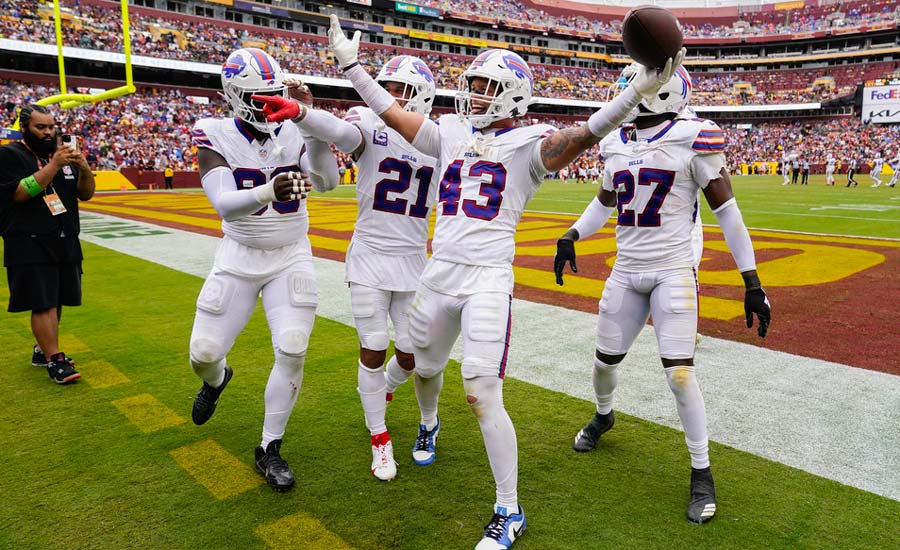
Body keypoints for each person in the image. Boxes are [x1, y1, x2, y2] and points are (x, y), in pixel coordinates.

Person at [317, 15, 683, 550]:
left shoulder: (532, 145)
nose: (474, 95)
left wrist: (632, 97)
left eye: (486, 87)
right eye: (472, 85)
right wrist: (352, 68)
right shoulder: (452, 133)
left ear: (512, 96)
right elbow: (392, 113)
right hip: (438, 275)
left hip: (488, 277)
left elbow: (586, 133)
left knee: (482, 391)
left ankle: (508, 509)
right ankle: (413, 412)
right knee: (420, 364)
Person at [553, 64, 771, 525]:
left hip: (673, 271)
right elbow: (605, 202)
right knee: (602, 363)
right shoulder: (617, 142)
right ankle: (604, 415)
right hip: (626, 271)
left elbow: (728, 215)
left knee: (679, 375)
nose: (625, 95)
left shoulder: (693, 137)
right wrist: (572, 234)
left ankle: (702, 472)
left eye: (635, 86)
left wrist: (752, 282)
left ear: (662, 91)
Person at [253, 54, 439, 482]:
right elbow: (338, 131)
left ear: (423, 98)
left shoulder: (437, 138)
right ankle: (380, 438)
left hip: (413, 260)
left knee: (414, 357)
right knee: (373, 346)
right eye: (388, 87)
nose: (392, 97)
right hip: (370, 256)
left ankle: (383, 392)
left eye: (401, 91)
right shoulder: (368, 123)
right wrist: (304, 113)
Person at [186, 48, 339, 492]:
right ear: (233, 96)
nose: (268, 105)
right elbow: (224, 204)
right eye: (258, 96)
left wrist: (312, 127)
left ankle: (269, 448)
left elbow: (328, 181)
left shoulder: (292, 129)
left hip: (290, 252)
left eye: (274, 94)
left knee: (292, 346)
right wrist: (269, 190)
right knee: (204, 353)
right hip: (239, 254)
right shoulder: (214, 133)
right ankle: (217, 381)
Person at [0, 104, 95, 384]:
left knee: (57, 298)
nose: (48, 132)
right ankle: (56, 360)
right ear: (24, 128)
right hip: (28, 240)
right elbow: (18, 193)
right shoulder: (9, 154)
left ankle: (43, 351)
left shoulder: (64, 156)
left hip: (64, 237)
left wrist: (84, 168)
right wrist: (54, 165)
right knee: (42, 302)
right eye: (40, 127)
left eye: (51, 127)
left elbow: (86, 194)